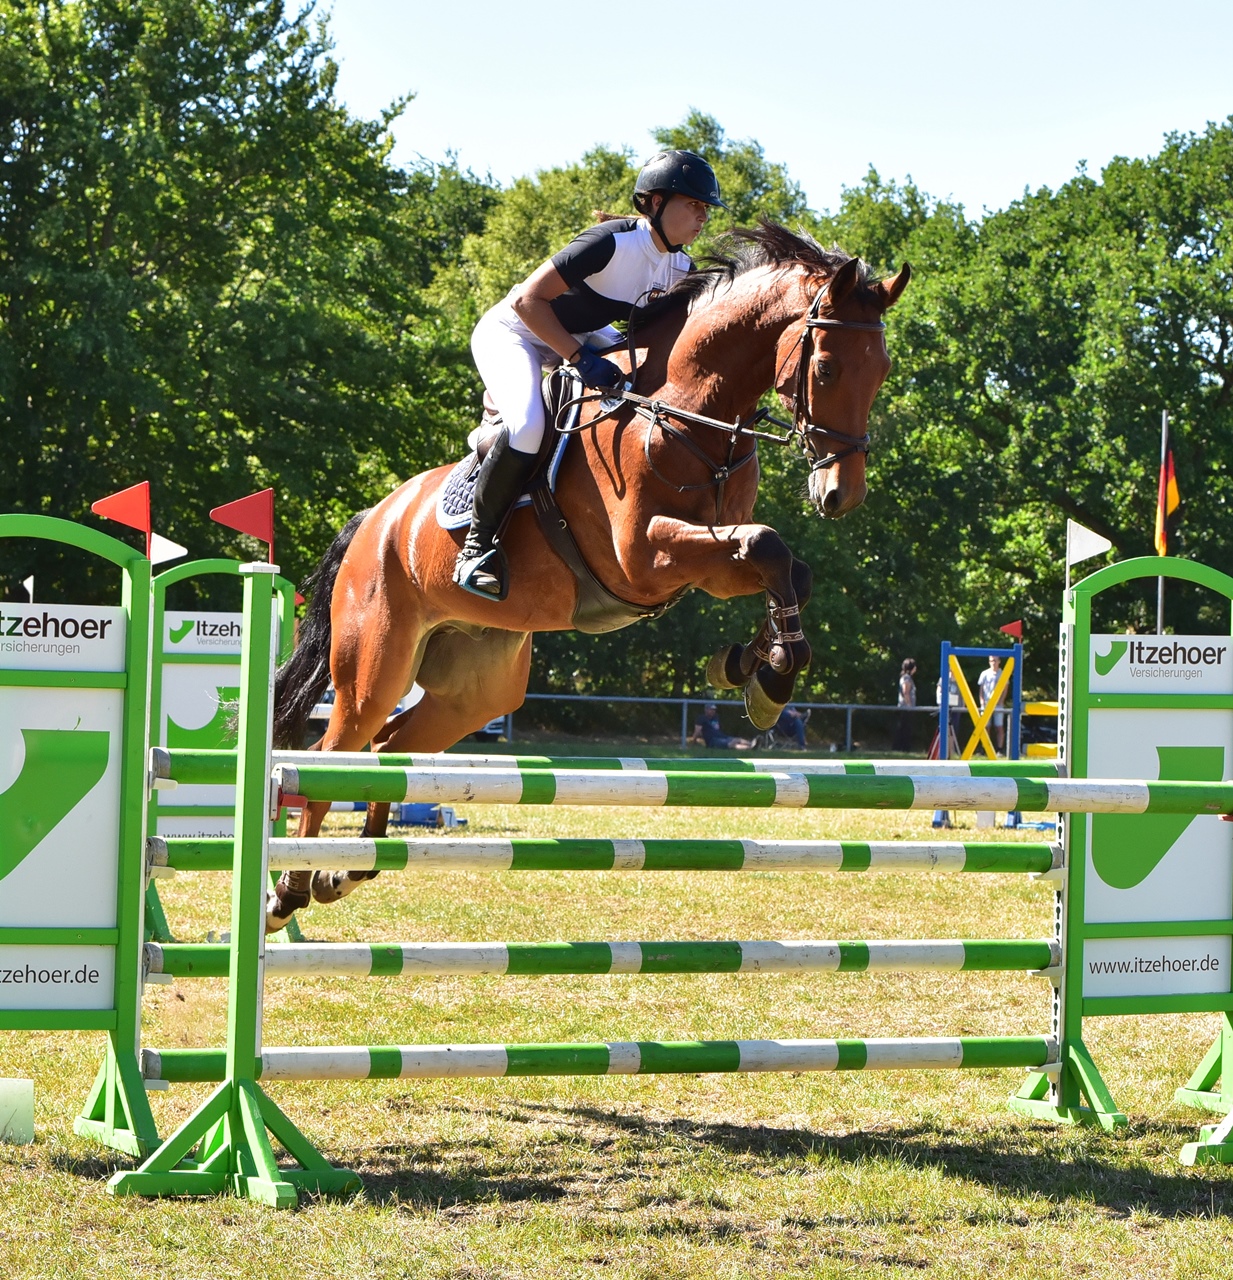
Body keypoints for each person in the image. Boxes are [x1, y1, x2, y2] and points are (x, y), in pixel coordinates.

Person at [454, 150, 728, 598]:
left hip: (580, 333)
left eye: (706, 208)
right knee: (528, 427)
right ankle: (476, 548)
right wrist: (579, 359)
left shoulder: (682, 268)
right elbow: (527, 301)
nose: (703, 216)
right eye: (694, 204)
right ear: (656, 202)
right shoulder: (611, 242)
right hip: (515, 329)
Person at [977, 653, 1008, 754]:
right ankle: (985, 748)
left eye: (995, 660)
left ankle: (999, 749)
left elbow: (1005, 688)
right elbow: (981, 689)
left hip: (998, 704)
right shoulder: (984, 673)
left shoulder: (1003, 674)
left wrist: (1001, 700)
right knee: (986, 727)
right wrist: (981, 701)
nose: (993, 663)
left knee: (999, 726)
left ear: (999, 661)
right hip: (986, 703)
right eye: (991, 661)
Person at [892, 658, 916, 753]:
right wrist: (909, 705)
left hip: (906, 708)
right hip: (905, 708)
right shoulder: (906, 678)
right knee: (904, 728)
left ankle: (902, 748)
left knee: (905, 728)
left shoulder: (907, 678)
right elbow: (906, 692)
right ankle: (902, 748)